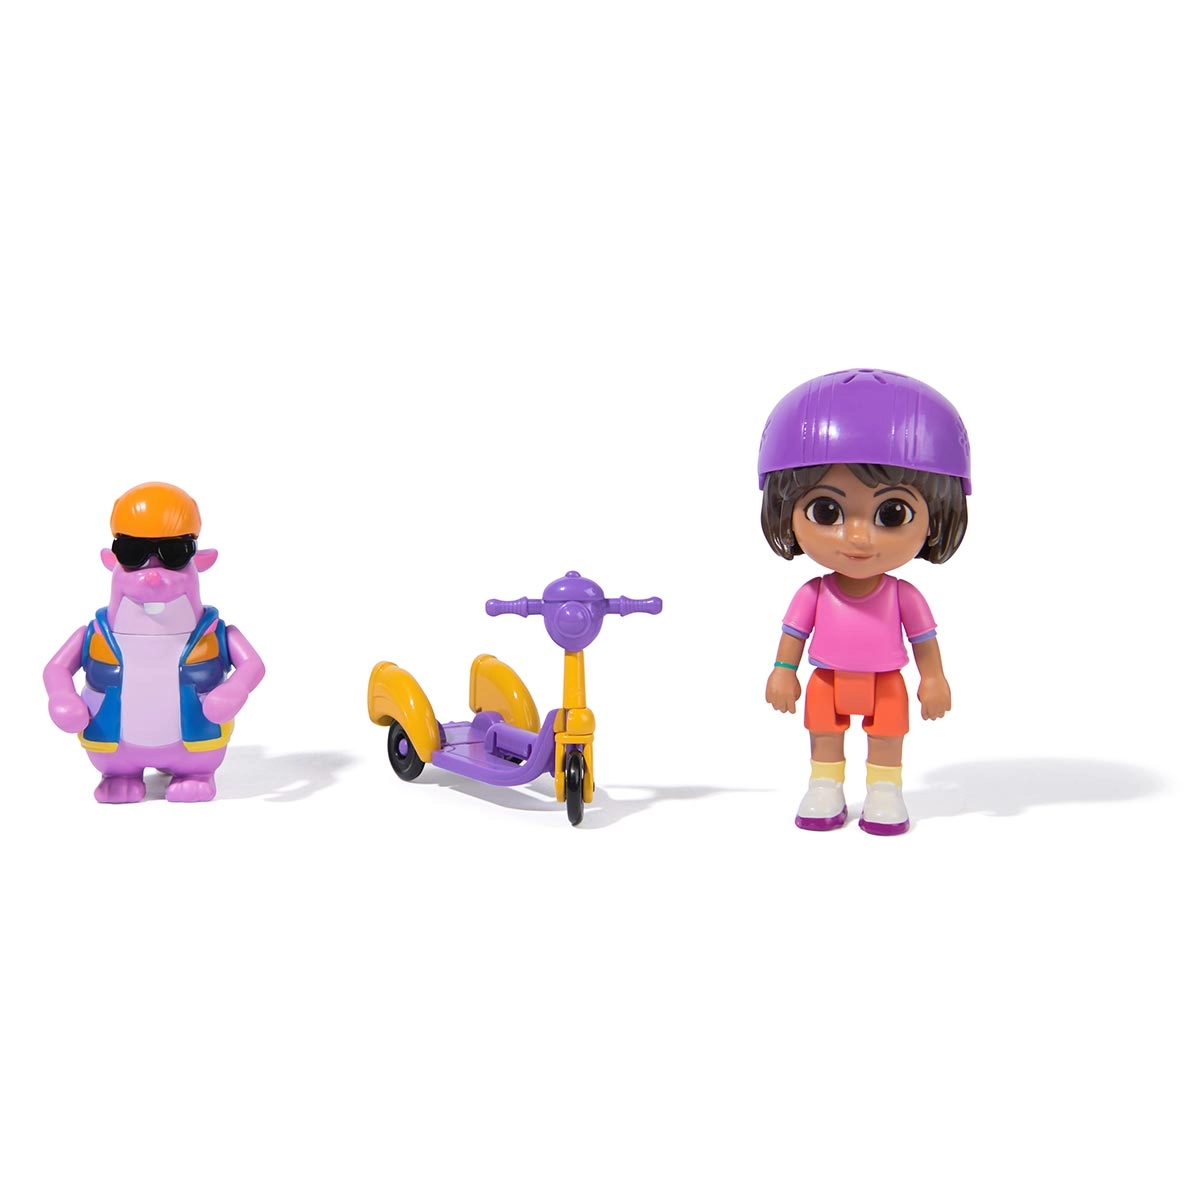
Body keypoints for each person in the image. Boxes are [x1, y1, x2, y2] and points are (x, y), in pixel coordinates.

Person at [758, 369, 970, 834]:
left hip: (886, 681)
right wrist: (783, 671)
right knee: (824, 733)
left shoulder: (903, 595)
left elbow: (924, 641)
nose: (858, 536)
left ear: (938, 517)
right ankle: (825, 785)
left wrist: (933, 678)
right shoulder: (814, 593)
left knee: (888, 735)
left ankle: (885, 789)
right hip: (826, 679)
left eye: (892, 513)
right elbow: (793, 635)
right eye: (826, 511)